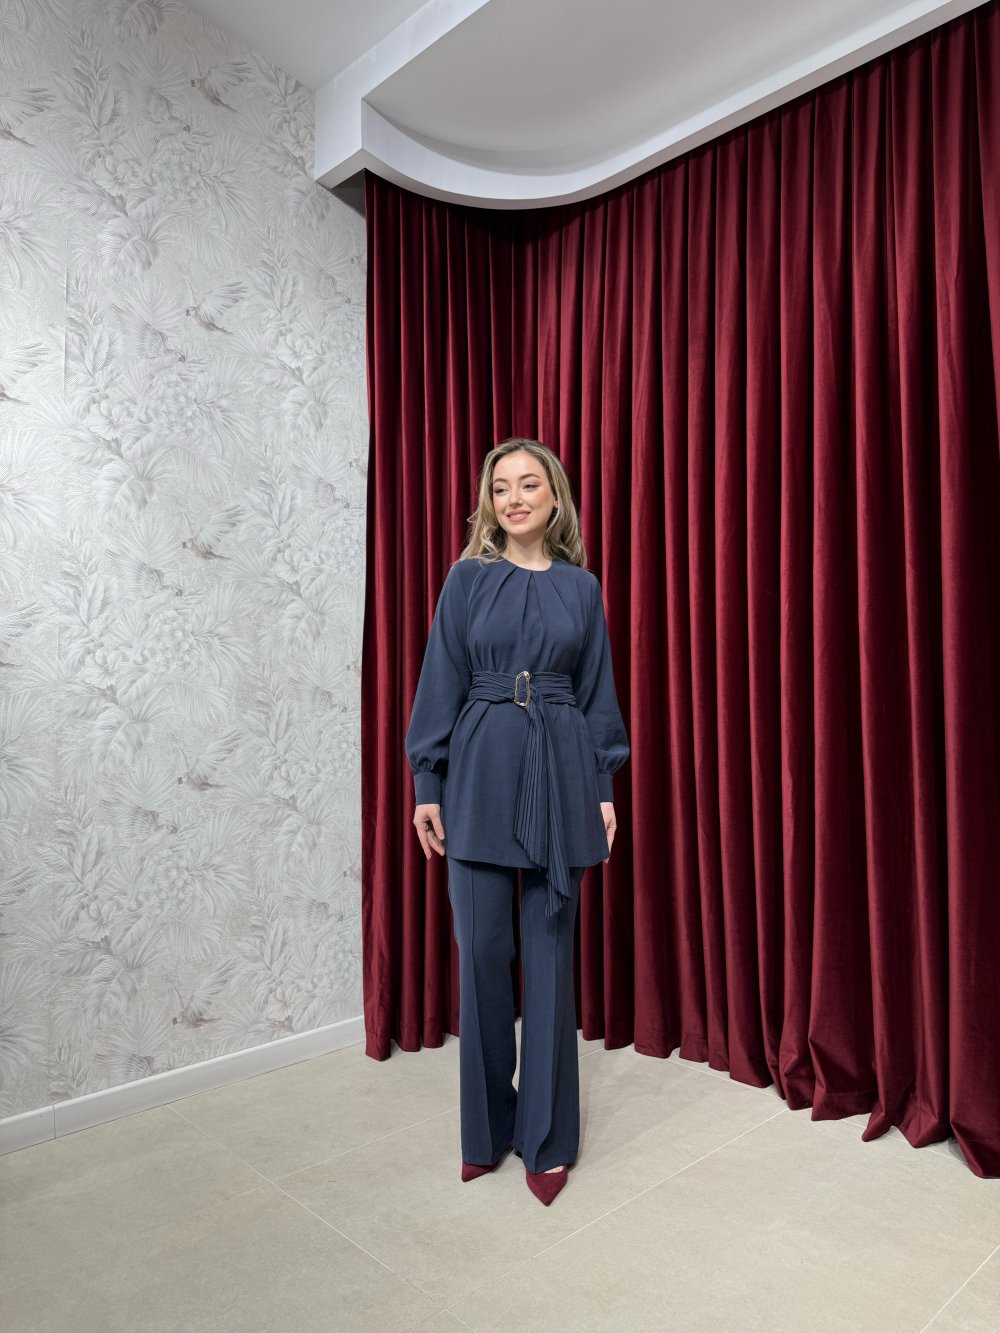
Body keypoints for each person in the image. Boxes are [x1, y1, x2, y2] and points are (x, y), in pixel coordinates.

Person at [404, 437, 630, 1206]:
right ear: (489, 502)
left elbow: (597, 693)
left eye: (529, 484)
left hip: (562, 773)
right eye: (501, 487)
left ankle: (548, 1137)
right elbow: (441, 678)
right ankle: (487, 1130)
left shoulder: (582, 588)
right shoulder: (467, 579)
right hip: (479, 773)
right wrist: (427, 781)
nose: (514, 498)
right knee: (481, 958)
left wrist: (602, 785)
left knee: (552, 961)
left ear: (554, 496)